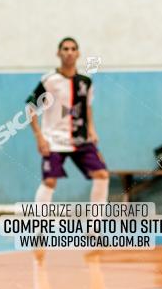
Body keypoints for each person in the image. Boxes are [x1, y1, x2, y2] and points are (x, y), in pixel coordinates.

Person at [27, 37, 109, 203]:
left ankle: (94, 227)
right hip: (53, 139)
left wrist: (92, 129)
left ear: (78, 53)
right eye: (65, 49)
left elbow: (87, 107)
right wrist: (39, 137)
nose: (69, 52)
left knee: (102, 174)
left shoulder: (86, 81)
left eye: (73, 49)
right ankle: (40, 226)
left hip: (80, 138)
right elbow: (31, 109)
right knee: (49, 181)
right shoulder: (49, 80)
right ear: (58, 53)